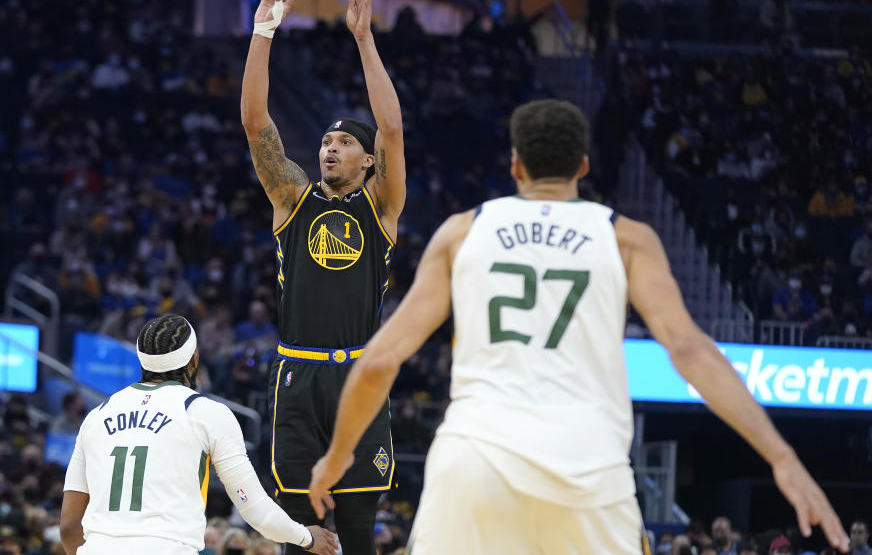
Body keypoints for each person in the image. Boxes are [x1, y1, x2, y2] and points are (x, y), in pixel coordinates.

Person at [307, 99, 849, 554]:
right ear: (584, 167)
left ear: (515, 165)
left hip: (474, 460)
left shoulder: (462, 232)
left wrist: (336, 456)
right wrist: (782, 457)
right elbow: (689, 349)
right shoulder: (627, 238)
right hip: (588, 464)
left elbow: (379, 359)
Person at [240, 0, 406, 555]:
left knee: (358, 528)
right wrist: (264, 30)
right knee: (297, 528)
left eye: (343, 144)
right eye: (324, 143)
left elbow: (390, 125)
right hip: (298, 372)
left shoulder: (382, 205)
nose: (329, 148)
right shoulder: (292, 197)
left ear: (366, 161)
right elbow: (256, 124)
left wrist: (363, 37)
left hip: (360, 372)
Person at [59, 314, 338, 555]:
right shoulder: (205, 412)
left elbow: (69, 526)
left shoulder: (96, 416)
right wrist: (307, 537)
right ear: (194, 360)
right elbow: (255, 510)